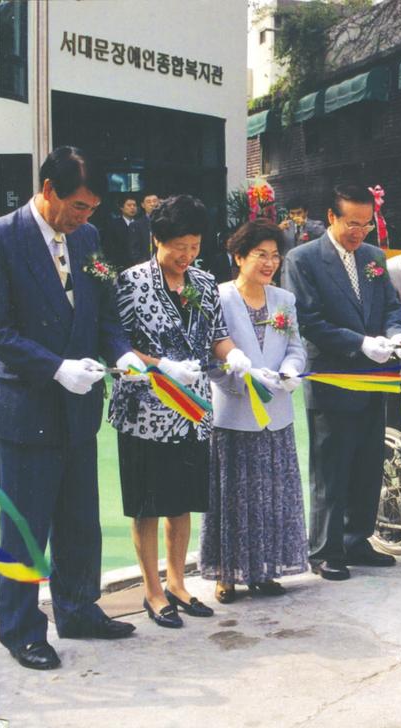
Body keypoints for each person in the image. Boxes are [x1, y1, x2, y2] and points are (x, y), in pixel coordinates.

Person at [0, 146, 144, 671]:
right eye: (79, 206)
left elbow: (103, 313)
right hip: (28, 406)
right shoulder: (3, 238)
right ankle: (19, 629)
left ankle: (79, 608)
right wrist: (56, 367)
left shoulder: (88, 237)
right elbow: (0, 332)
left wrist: (122, 353)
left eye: (93, 208)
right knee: (25, 527)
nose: (86, 217)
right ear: (49, 191)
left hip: (80, 408)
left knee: (81, 520)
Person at [110, 195, 253, 629]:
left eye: (194, 246)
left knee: (183, 502)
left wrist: (237, 356)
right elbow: (115, 342)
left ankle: (177, 583)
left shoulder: (203, 282)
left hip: (192, 412)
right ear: (157, 239)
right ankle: (151, 590)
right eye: (179, 247)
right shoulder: (131, 283)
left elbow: (217, 336)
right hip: (145, 412)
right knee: (148, 503)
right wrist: (158, 364)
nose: (187, 256)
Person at [282, 183, 401, 582]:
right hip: (333, 375)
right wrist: (360, 343)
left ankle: (358, 539)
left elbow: (391, 305)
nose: (359, 233)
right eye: (351, 224)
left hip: (374, 376)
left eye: (366, 225)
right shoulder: (302, 259)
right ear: (332, 218)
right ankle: (325, 548)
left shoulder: (373, 256)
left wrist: (395, 332)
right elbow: (309, 320)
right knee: (331, 467)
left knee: (368, 462)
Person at [200, 219, 309, 604]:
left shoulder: (284, 301)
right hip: (234, 414)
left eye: (274, 255)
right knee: (234, 500)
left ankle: (265, 572)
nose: (269, 263)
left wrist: (293, 369)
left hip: (277, 414)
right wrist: (240, 378)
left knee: (272, 498)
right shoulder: (218, 297)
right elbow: (210, 356)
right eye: (260, 255)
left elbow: (296, 346)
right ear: (239, 257)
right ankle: (226, 575)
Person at [102, 194, 145, 270]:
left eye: (134, 205)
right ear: (121, 208)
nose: (132, 208)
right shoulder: (113, 225)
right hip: (121, 266)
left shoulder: (141, 224)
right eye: (129, 205)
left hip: (139, 266)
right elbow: (109, 248)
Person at [132, 192, 159, 259]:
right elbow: (135, 251)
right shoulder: (136, 225)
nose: (152, 204)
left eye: (155, 201)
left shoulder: (167, 222)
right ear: (143, 205)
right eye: (149, 202)